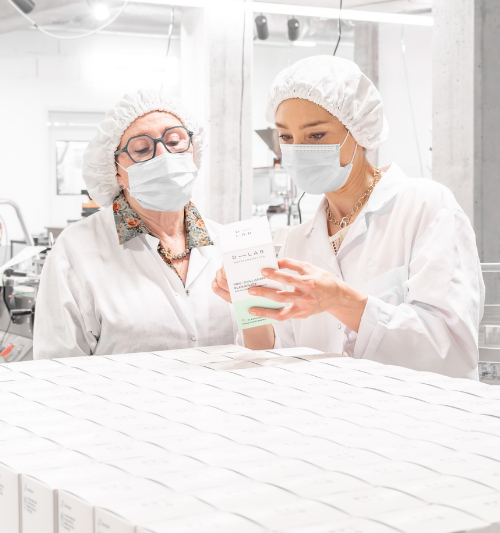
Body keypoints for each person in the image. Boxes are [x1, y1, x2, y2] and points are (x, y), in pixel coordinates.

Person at [213, 56, 484, 379]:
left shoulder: (425, 206)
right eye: (286, 137)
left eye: (316, 136)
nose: (298, 150)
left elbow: (452, 349)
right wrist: (250, 305)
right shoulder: (299, 240)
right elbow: (279, 356)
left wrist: (341, 300)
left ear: (359, 132)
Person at [34, 89, 235, 358]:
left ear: (193, 151)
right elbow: (58, 367)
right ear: (116, 171)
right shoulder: (75, 250)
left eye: (175, 142)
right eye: (141, 149)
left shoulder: (227, 241)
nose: (164, 155)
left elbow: (265, 342)